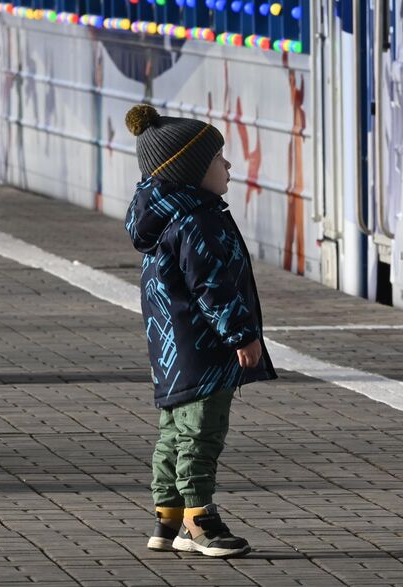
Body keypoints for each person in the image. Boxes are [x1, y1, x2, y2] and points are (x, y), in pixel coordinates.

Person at [123, 103, 276, 558]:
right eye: (216, 159)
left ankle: (166, 518)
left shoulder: (164, 218)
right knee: (202, 433)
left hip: (173, 351)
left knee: (174, 430)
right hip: (204, 349)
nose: (227, 165)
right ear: (190, 171)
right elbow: (213, 287)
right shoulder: (198, 220)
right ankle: (200, 520)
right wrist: (241, 336)